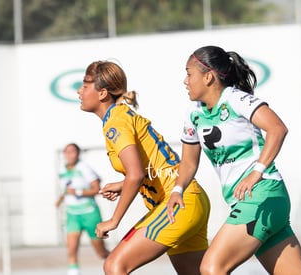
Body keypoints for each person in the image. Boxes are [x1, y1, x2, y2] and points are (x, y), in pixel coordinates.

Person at [167, 45, 301, 275]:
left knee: (212, 267)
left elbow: (277, 129)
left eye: (189, 73)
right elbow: (188, 163)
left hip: (262, 194)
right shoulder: (193, 113)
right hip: (253, 202)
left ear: (208, 77)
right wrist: (177, 189)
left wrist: (257, 172)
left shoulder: (235, 100)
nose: (185, 81)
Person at [77, 60, 210, 275]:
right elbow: (152, 167)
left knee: (114, 265)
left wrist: (114, 220)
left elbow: (135, 175)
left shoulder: (116, 122)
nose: (79, 91)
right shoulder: (120, 116)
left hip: (176, 203)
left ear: (102, 93)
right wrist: (123, 184)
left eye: (84, 85)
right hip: (190, 199)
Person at [56, 143, 110, 275]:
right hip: (72, 215)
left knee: (101, 252)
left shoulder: (84, 168)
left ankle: (119, 265)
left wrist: (78, 192)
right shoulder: (62, 171)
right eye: (67, 152)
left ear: (78, 153)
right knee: (71, 250)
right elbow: (66, 189)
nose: (70, 155)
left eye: (73, 151)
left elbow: (97, 189)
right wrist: (60, 200)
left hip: (90, 213)